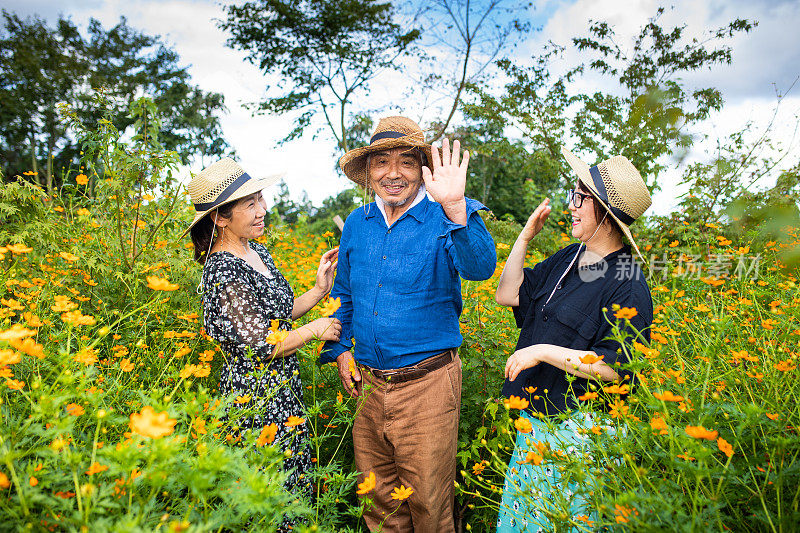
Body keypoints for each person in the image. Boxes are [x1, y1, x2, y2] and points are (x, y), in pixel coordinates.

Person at [319, 116, 497, 532]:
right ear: (368, 172)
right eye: (381, 162)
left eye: (407, 162)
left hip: (428, 387)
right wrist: (341, 350)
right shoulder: (357, 225)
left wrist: (455, 206)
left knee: (430, 507)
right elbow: (344, 297)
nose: (393, 173)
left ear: (423, 169)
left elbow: (481, 267)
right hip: (368, 388)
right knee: (380, 506)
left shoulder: (445, 215)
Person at [494, 148, 654, 532]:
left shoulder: (628, 284)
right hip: (535, 423)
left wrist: (543, 351)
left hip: (582, 435)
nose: (573, 205)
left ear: (606, 213)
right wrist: (524, 237)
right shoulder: (570, 256)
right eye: (574, 195)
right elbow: (508, 293)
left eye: (581, 198)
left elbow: (614, 368)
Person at [182, 157, 342, 515]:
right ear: (220, 218)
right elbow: (260, 343)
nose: (263, 210)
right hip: (256, 397)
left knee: (294, 489)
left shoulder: (256, 251)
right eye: (251, 203)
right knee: (269, 493)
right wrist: (314, 329)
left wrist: (317, 291)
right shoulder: (223, 269)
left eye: (261, 199)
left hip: (283, 389)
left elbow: (275, 318)